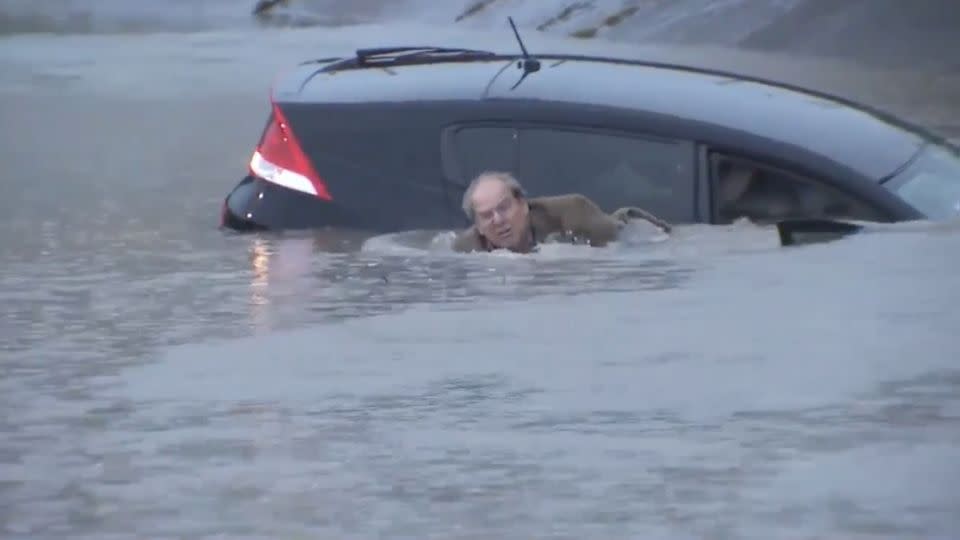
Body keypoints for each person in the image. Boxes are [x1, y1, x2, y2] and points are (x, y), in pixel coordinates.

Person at [451, 171, 672, 253]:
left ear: (522, 204)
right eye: (487, 216)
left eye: (503, 207)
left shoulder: (574, 214)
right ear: (478, 226)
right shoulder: (466, 250)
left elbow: (628, 239)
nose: (498, 220)